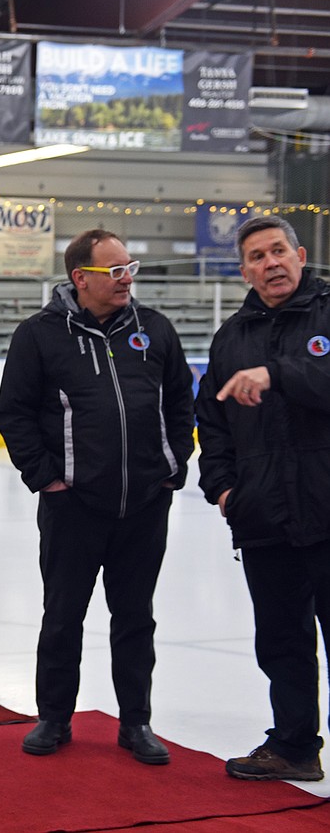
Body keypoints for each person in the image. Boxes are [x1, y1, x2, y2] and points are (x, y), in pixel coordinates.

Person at [0, 229, 195, 765]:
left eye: (130, 267)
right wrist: (48, 480)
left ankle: (137, 724)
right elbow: (12, 412)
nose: (126, 278)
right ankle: (54, 719)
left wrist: (173, 468)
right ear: (80, 278)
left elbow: (181, 402)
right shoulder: (39, 335)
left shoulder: (155, 330)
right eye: (114, 270)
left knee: (136, 619)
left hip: (145, 506)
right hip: (73, 508)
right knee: (63, 616)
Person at [195, 214, 330, 782]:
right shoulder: (231, 336)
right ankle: (295, 747)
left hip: (328, 512)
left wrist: (278, 373)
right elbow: (212, 421)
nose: (270, 263)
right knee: (281, 642)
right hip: (264, 516)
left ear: (300, 256)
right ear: (245, 270)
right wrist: (225, 490)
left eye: (278, 251)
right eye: (257, 256)